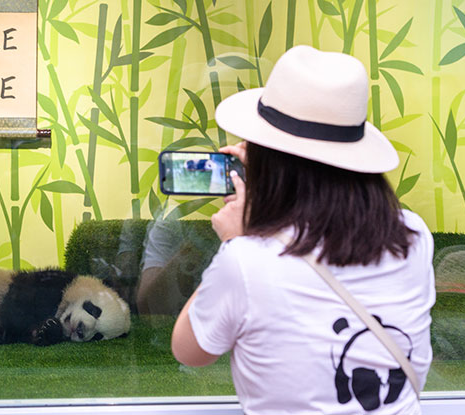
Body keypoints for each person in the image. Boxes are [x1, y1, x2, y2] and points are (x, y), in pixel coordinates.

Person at [171, 45, 435, 415]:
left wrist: (239, 240)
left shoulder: (247, 260)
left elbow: (190, 351)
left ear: (270, 163)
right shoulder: (413, 235)